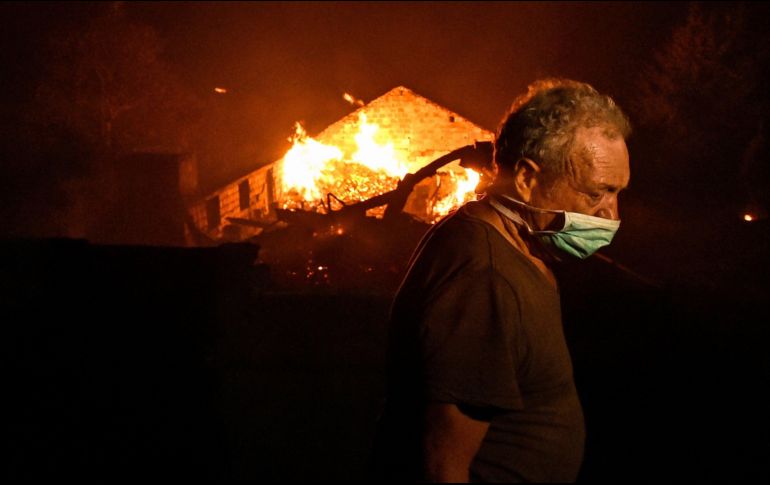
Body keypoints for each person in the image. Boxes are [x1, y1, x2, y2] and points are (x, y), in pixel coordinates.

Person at [371, 78, 631, 482]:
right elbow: (442, 463)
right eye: (597, 192)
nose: (610, 214)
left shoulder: (516, 247)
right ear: (527, 179)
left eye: (618, 193)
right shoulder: (483, 277)